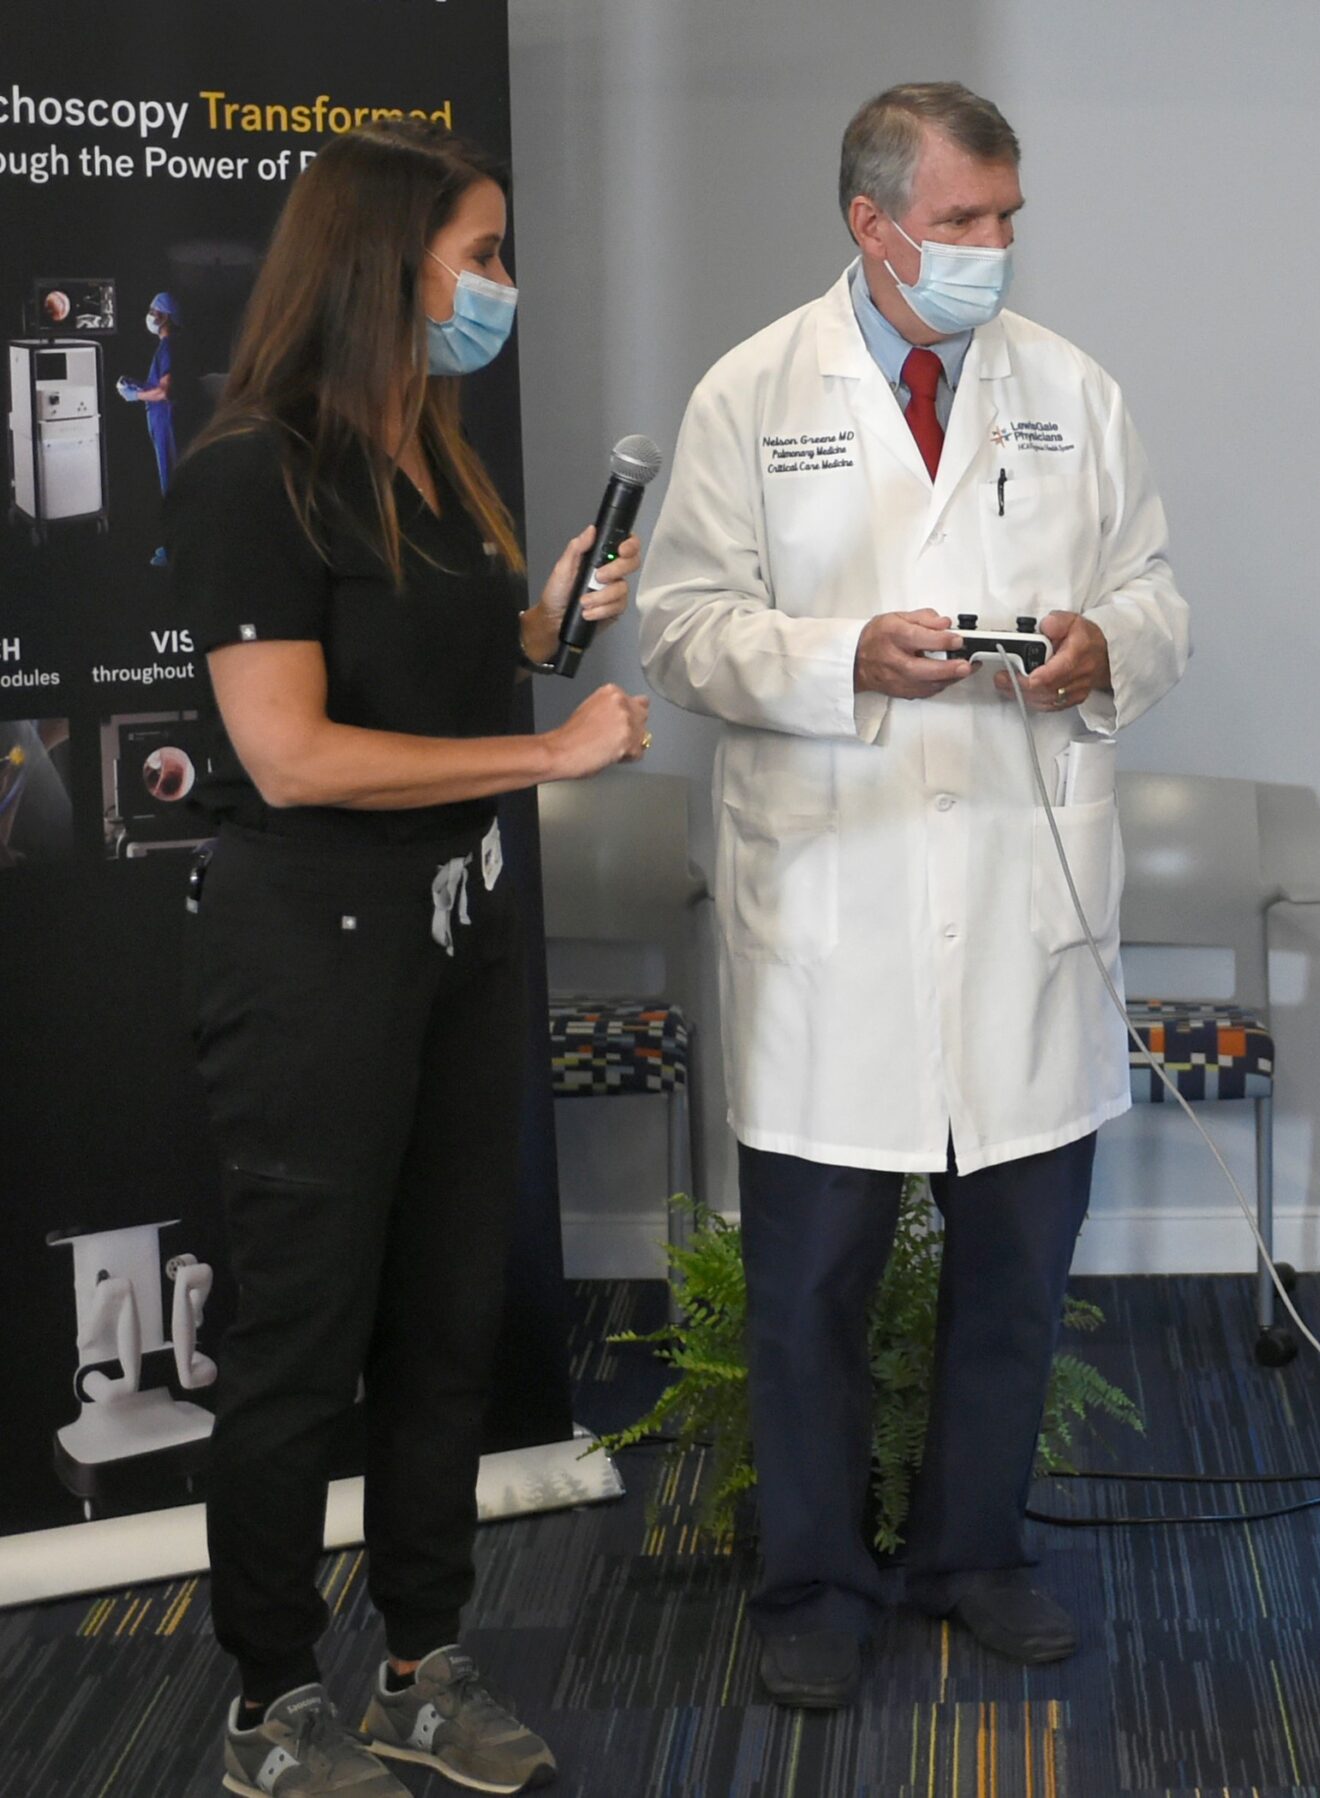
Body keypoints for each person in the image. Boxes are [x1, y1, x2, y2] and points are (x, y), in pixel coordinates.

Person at [638, 81, 1189, 1709]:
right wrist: (838, 659)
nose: (993, 250)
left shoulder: (1069, 390)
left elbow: (1154, 587)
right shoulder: (755, 392)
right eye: (962, 222)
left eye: (1008, 218)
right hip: (835, 905)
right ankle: (812, 1579)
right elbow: (680, 625)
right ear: (873, 226)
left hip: (1025, 901)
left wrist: (1106, 649)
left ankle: (972, 1550)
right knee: (811, 1283)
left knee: (1016, 1271)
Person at [167, 120, 651, 1796]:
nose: (502, 286)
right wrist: (549, 754)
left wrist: (550, 623)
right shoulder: (250, 471)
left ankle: (424, 1664)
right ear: (390, 264)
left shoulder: (433, 452)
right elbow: (293, 751)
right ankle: (269, 1697)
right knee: (304, 1339)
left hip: (455, 936)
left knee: (448, 1319)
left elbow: (450, 661)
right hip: (311, 947)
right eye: (484, 252)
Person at [116, 290, 180, 566]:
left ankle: (174, 550)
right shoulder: (170, 347)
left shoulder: (168, 347)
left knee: (172, 484)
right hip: (163, 420)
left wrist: (135, 395)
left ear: (164, 316)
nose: (150, 316)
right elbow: (160, 385)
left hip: (166, 421)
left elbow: (165, 392)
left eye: (153, 311)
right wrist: (139, 385)